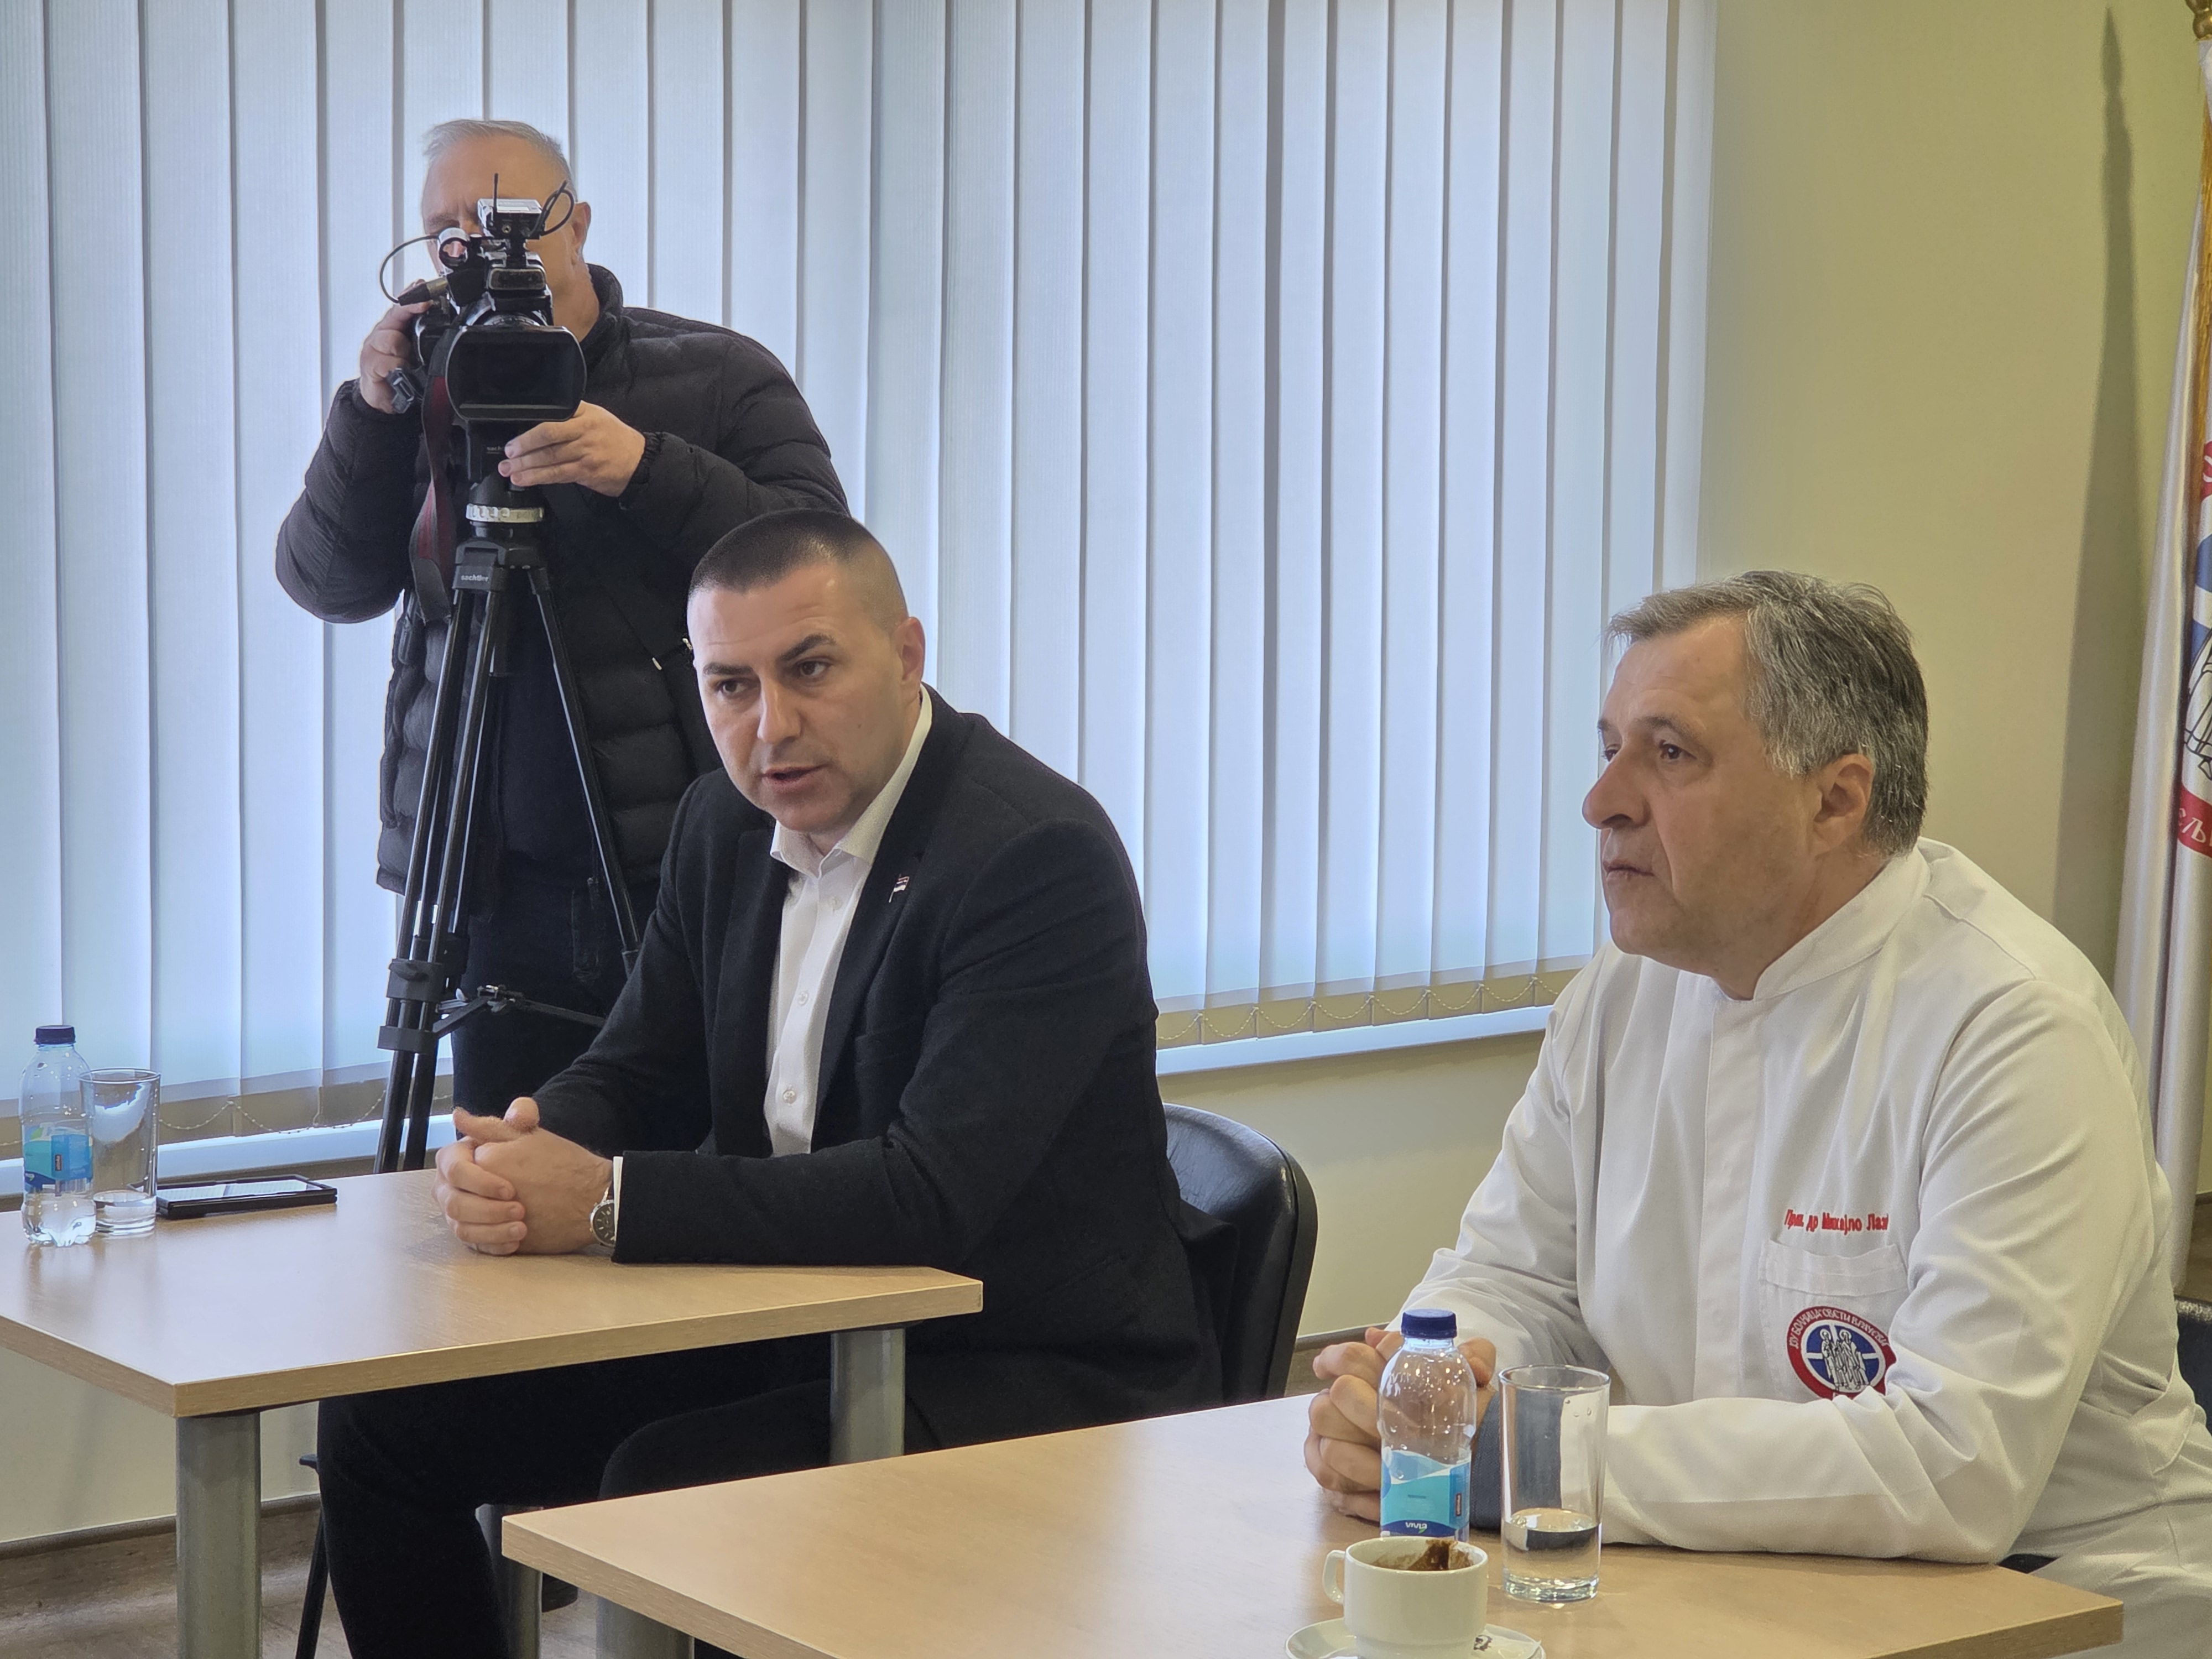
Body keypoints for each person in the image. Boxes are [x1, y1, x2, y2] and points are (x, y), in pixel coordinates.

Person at [315, 509, 1220, 1657]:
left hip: (1015, 1361)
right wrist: (528, 1142)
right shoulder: (721, 822)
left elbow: (925, 1197)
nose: (771, 727)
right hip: (798, 1319)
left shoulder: (1033, 856)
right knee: (384, 1423)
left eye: (811, 670)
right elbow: (640, 1065)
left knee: (668, 1482)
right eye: (730, 686)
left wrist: (605, 1202)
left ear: (906, 655)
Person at [1303, 572, 2212, 1654]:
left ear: (1835, 801)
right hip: (1718, 1571)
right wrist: (1426, 1395)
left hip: (2056, 1600)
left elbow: (1950, 1469)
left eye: (1669, 753)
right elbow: (1514, 1276)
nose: (1602, 802)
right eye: (1609, 749)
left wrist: (1525, 1458)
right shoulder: (1623, 990)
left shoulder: (2012, 1025)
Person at [276, 118, 847, 1115]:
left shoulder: (715, 375)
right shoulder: (420, 389)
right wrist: (370, 413)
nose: (472, 246)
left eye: (502, 217)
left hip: (680, 860)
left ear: (577, 226)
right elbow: (327, 584)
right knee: (509, 1159)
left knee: (685, 1146)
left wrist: (645, 468)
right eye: (444, 231)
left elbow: (825, 560)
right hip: (490, 878)